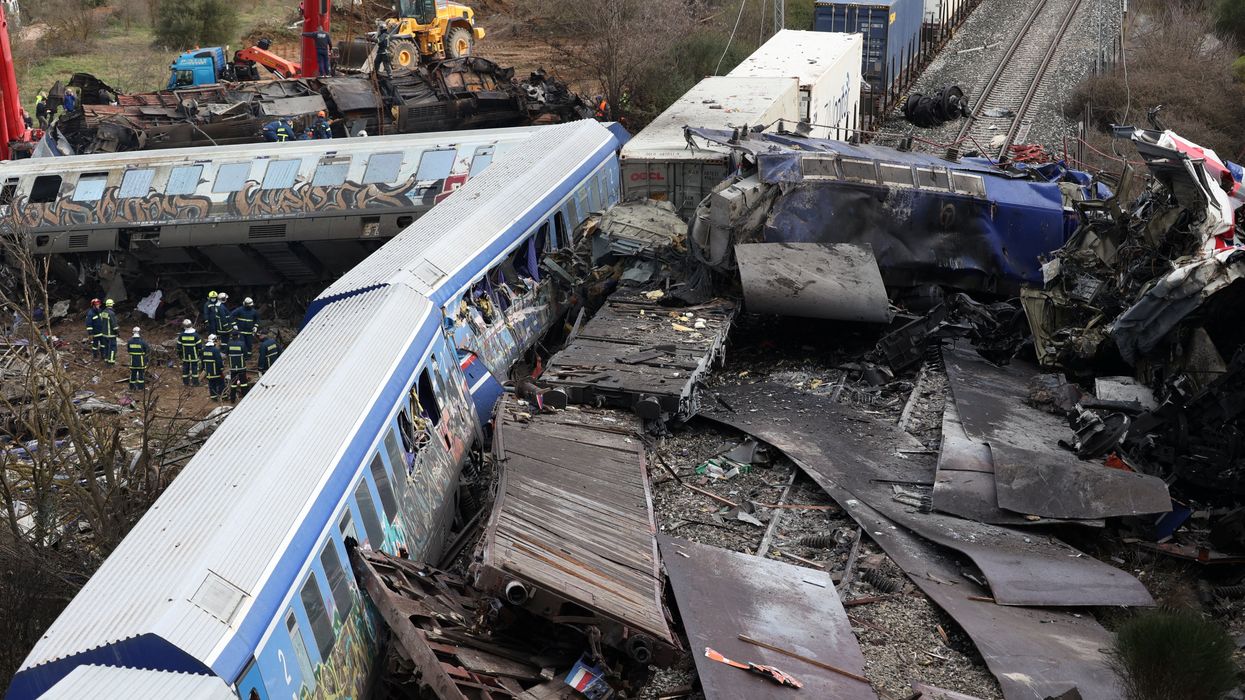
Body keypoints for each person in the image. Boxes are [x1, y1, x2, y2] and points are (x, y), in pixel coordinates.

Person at [177, 319, 202, 387]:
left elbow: (178, 347)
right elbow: (199, 347)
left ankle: (186, 383)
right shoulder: (196, 335)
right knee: (194, 370)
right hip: (194, 355)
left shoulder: (181, 335)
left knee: (185, 369)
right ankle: (195, 383)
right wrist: (200, 354)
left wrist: (180, 355)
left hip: (185, 356)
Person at [226, 332, 249, 402]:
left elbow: (227, 353)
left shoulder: (229, 344)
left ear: (232, 336)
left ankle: (232, 399)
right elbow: (246, 355)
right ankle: (245, 398)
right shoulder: (242, 344)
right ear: (238, 336)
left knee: (233, 384)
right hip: (241, 367)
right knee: (244, 383)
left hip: (233, 368)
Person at [202, 334, 225, 401]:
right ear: (214, 341)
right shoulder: (215, 350)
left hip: (209, 372)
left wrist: (204, 369)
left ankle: (214, 398)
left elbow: (202, 361)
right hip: (216, 372)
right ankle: (223, 397)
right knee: (221, 384)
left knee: (211, 385)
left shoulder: (204, 350)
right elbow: (218, 361)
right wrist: (221, 369)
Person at [126, 327, 149, 392]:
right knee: (141, 376)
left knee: (133, 375)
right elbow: (147, 351)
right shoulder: (143, 342)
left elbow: (129, 351)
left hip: (132, 362)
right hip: (141, 362)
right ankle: (140, 388)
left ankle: (131, 388)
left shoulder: (129, 342)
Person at [98, 299, 118, 366]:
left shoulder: (103, 312)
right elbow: (114, 325)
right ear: (112, 304)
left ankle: (106, 359)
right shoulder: (111, 313)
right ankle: (111, 362)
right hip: (111, 335)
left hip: (104, 334)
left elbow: (101, 322)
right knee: (113, 348)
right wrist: (117, 332)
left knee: (106, 347)